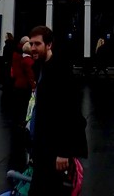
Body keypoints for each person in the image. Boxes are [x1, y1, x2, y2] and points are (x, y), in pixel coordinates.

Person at [27, 25, 87, 196]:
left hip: (54, 150)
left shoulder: (61, 72)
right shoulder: (39, 67)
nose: (33, 48)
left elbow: (71, 113)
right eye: (31, 44)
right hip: (41, 146)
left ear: (49, 45)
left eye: (37, 44)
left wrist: (64, 152)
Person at [10, 36, 35, 125]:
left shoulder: (17, 55)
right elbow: (30, 74)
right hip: (24, 84)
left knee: (19, 104)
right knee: (24, 104)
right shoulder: (28, 60)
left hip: (18, 82)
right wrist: (33, 85)